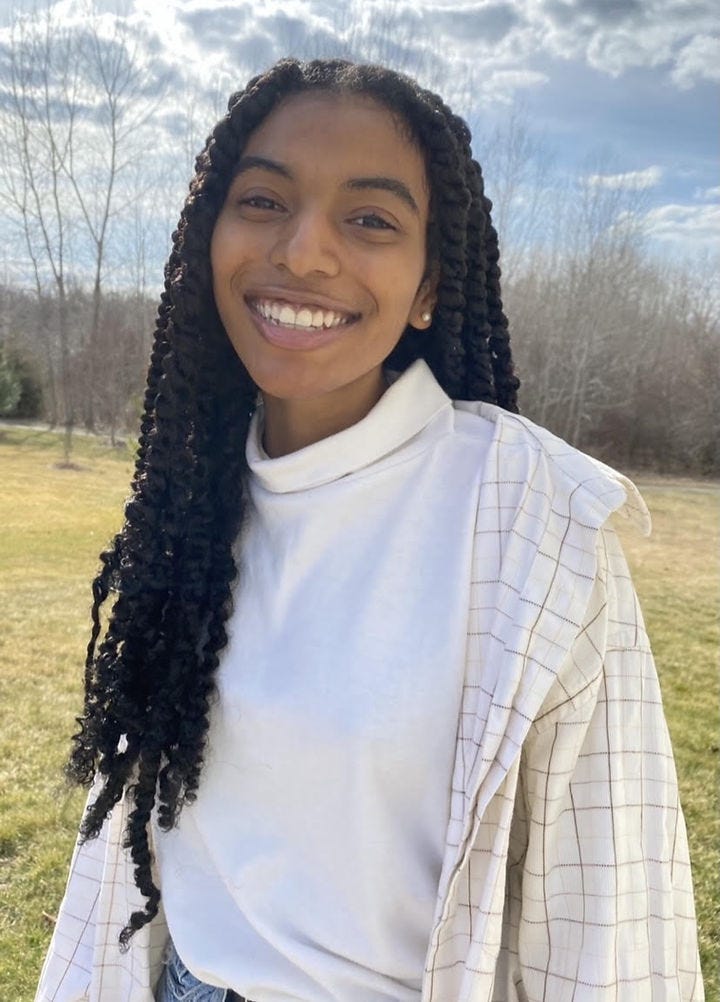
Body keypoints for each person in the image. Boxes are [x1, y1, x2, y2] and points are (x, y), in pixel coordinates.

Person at [36, 57, 703, 1002]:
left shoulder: (538, 524)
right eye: (264, 200)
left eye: (371, 219)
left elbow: (608, 916)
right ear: (206, 236)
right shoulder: (188, 501)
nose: (305, 251)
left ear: (431, 284)